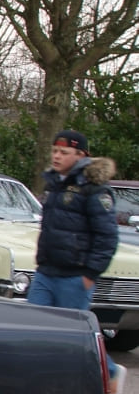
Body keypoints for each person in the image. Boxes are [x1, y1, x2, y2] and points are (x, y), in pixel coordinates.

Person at [28, 130, 118, 312]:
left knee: (66, 333)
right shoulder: (53, 185)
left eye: (64, 153)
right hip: (45, 272)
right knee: (32, 327)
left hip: (74, 277)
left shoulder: (94, 189)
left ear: (81, 155)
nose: (56, 156)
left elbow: (107, 237)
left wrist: (89, 275)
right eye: (54, 151)